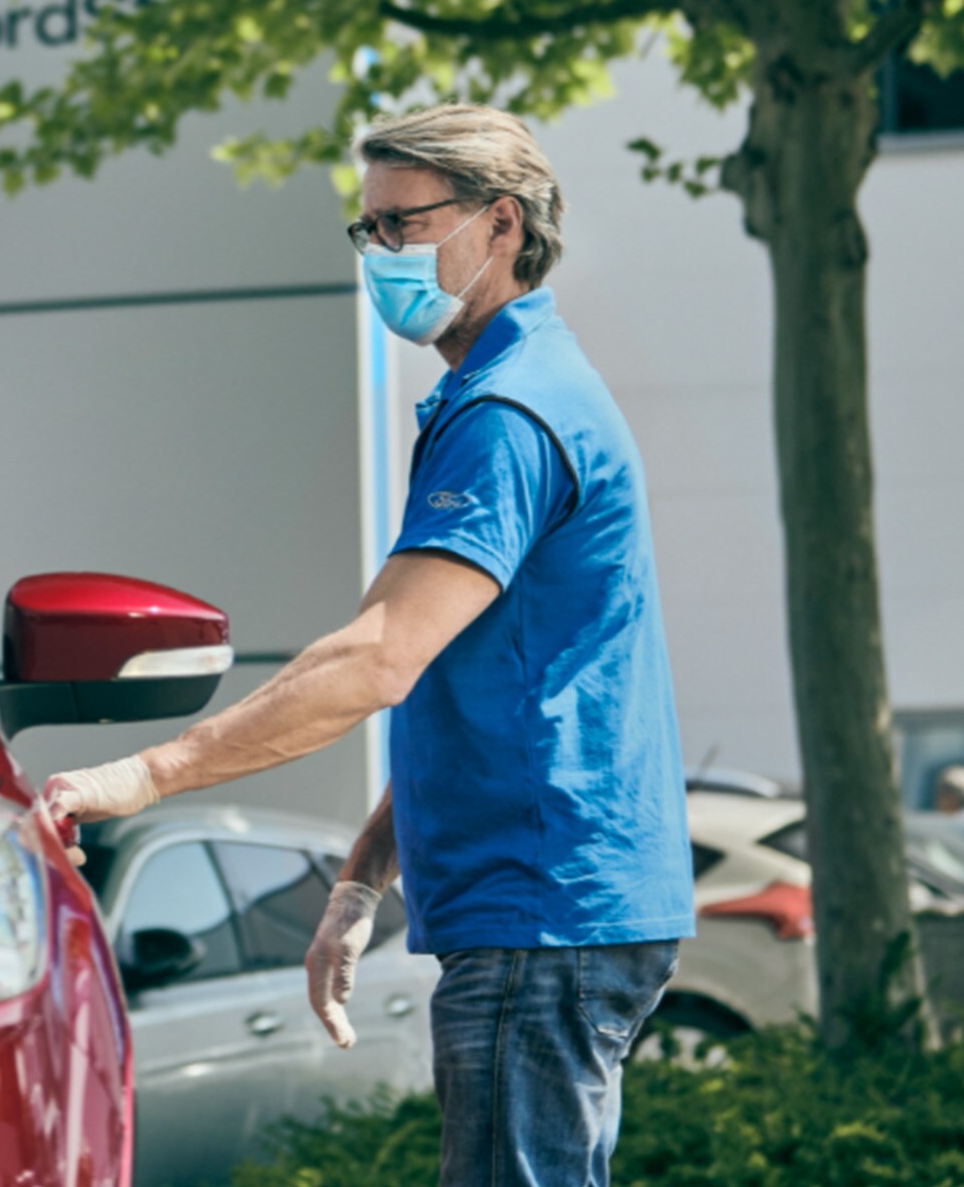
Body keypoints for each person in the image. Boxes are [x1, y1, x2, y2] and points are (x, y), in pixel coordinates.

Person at [43, 103, 694, 1187]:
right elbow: (477, 690)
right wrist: (360, 886)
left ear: (500, 226)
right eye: (370, 229)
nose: (382, 253)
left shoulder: (509, 415)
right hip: (554, 901)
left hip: (542, 909)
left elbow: (378, 659)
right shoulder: (507, 394)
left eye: (404, 225)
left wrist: (144, 773)